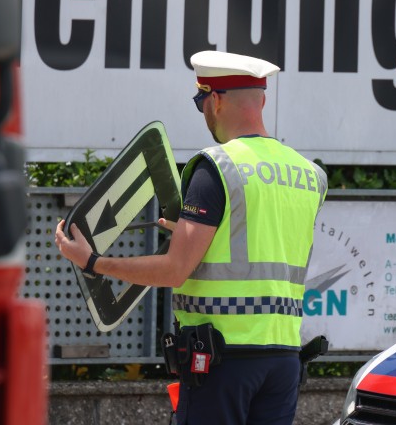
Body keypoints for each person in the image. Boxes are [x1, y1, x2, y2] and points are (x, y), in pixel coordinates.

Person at [55, 50, 328, 425]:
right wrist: (194, 235)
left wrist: (92, 261)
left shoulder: (217, 166)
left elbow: (174, 270)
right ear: (261, 100)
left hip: (223, 360)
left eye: (201, 100)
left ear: (214, 101)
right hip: (282, 361)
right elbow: (257, 239)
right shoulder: (309, 175)